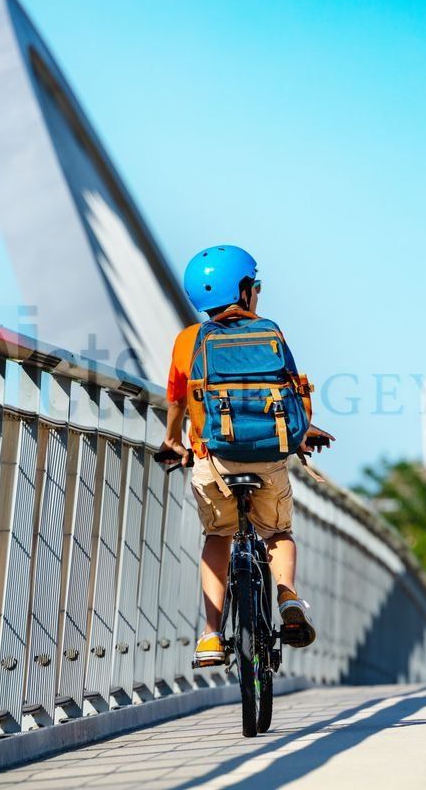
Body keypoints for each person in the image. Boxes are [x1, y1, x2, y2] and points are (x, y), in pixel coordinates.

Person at [160, 245, 333, 667]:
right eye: (254, 285)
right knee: (277, 533)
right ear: (243, 290)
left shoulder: (188, 340)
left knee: (218, 536)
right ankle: (288, 597)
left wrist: (174, 442)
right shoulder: (270, 331)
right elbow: (291, 389)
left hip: (214, 458)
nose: (256, 292)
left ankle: (211, 636)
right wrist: (301, 433)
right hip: (267, 457)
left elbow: (179, 402)